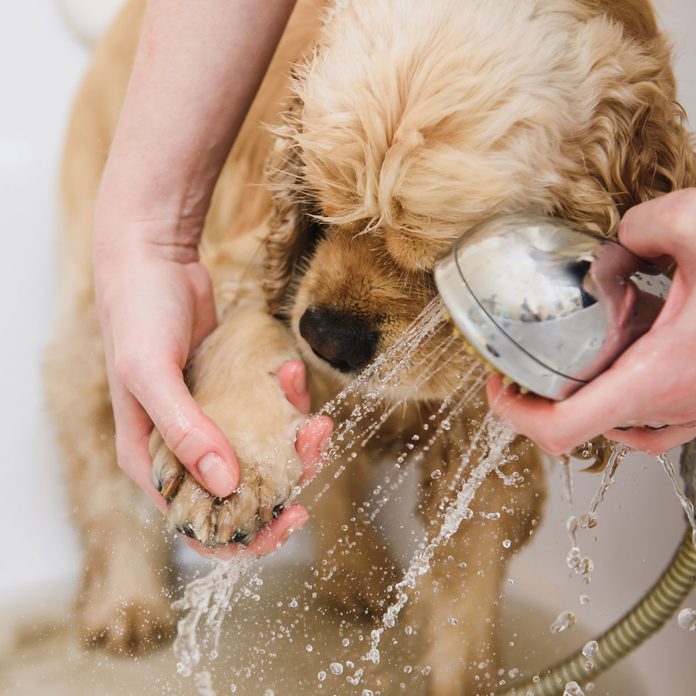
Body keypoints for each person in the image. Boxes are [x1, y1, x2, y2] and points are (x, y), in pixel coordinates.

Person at [95, 0, 696, 556]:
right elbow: (249, 283)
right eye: (332, 211)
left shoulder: (588, 121)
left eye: (433, 255)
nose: (333, 311)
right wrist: (151, 239)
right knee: (96, 360)